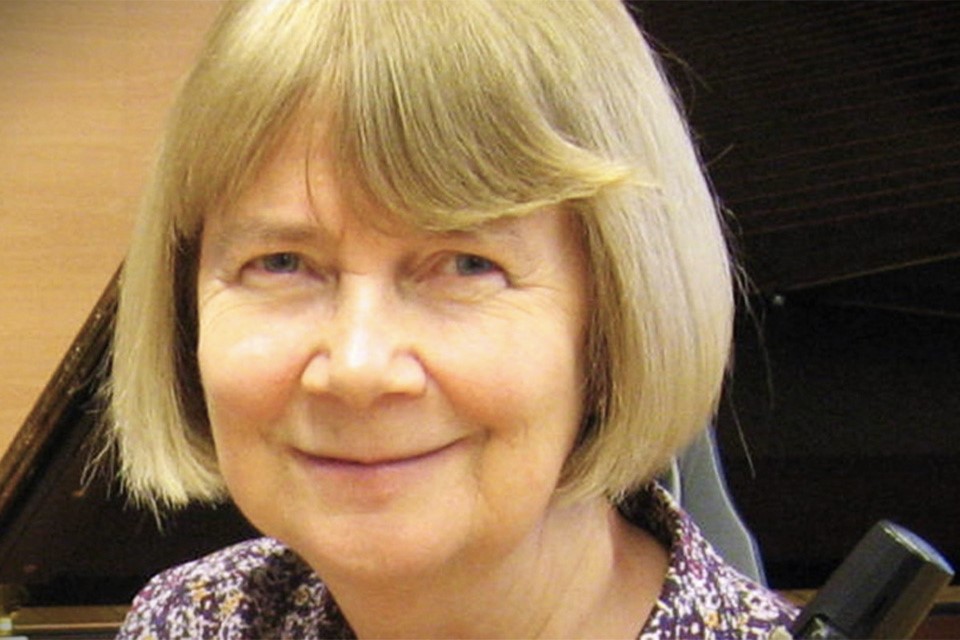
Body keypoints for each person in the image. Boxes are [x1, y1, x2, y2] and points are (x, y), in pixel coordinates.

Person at [108, 1, 797, 637]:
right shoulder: (194, 620)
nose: (358, 366)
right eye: (282, 262)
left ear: (614, 315)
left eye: (466, 264)